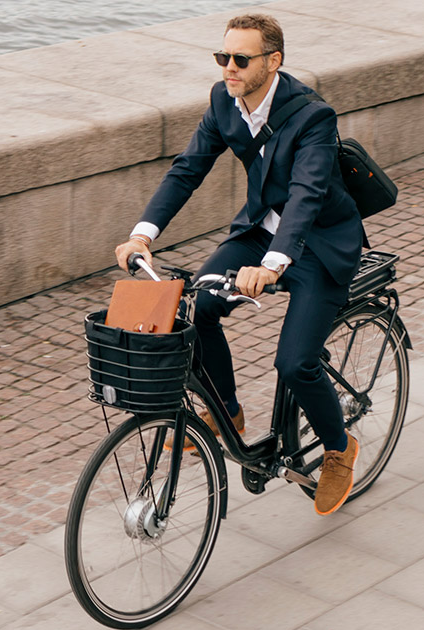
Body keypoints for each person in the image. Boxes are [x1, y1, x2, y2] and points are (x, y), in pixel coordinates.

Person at [111, 13, 367, 515]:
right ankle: (226, 409)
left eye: (240, 59)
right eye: (222, 56)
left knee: (295, 363)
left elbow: (306, 195)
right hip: (259, 233)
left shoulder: (313, 116)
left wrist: (272, 265)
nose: (228, 67)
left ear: (273, 62)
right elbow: (188, 169)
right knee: (199, 308)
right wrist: (143, 233)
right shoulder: (222, 102)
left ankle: (339, 449)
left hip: (318, 245)